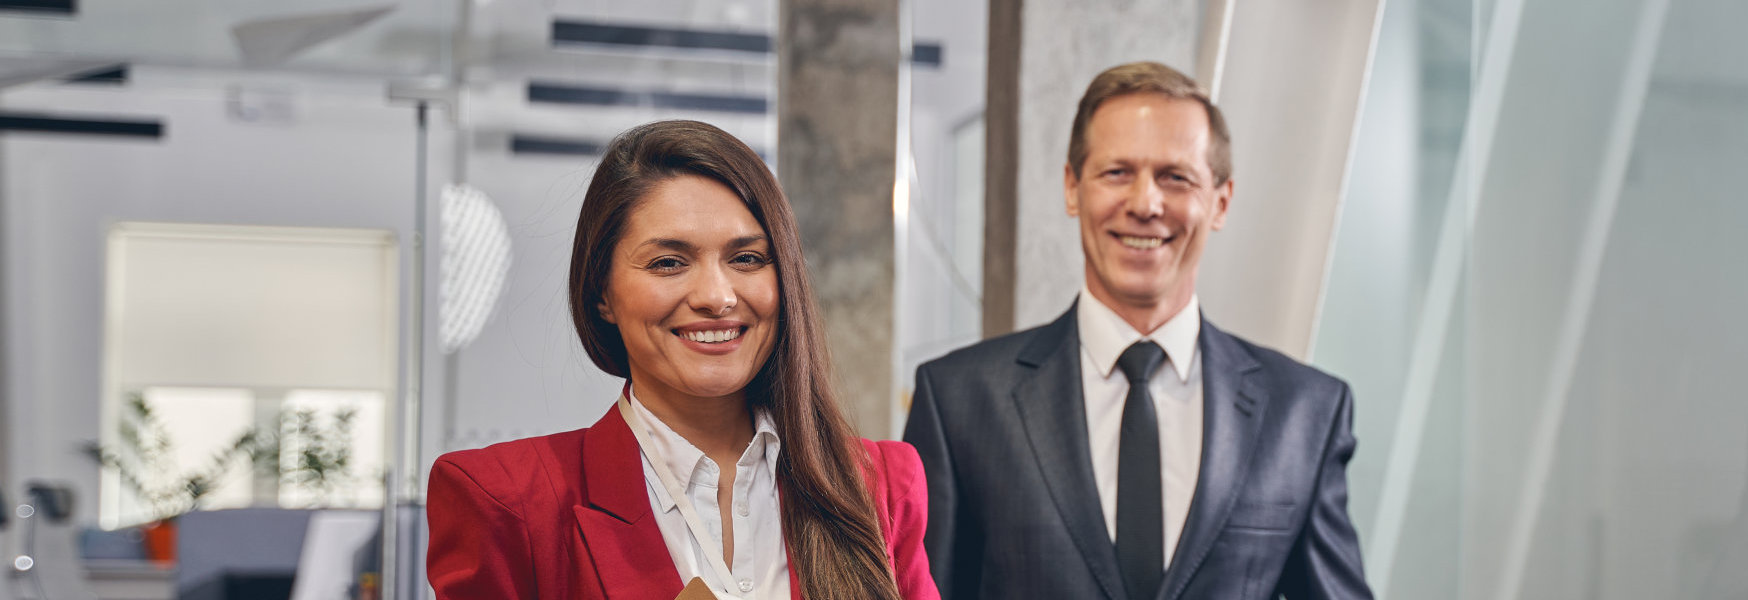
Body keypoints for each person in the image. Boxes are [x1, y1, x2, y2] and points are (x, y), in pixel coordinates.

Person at [903, 62, 1372, 599]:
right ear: (1072, 187)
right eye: (1117, 173)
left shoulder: (1305, 411)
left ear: (1220, 201)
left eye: (1176, 177)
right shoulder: (959, 400)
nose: (1146, 204)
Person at [426, 120, 938, 600]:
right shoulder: (507, 502)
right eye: (669, 262)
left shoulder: (879, 484)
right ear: (602, 290)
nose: (717, 296)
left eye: (747, 259)